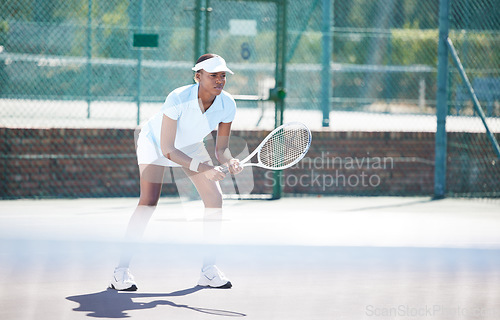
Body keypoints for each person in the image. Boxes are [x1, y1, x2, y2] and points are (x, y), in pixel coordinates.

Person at [109, 54, 243, 291]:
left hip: (190, 145)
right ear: (198, 77)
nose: (220, 80)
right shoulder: (178, 97)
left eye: (223, 75)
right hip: (156, 143)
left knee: (215, 199)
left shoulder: (227, 104)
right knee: (148, 202)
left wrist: (231, 161)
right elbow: (168, 149)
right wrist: (205, 169)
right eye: (213, 75)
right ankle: (120, 271)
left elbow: (222, 149)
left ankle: (208, 271)